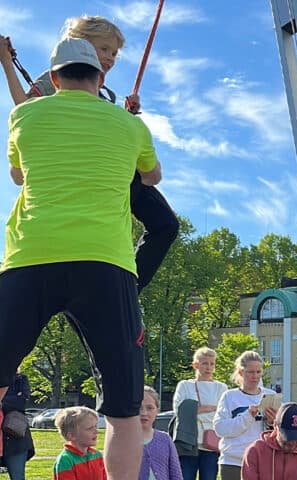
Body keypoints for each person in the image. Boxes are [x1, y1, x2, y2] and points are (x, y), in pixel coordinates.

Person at [0, 37, 162, 480]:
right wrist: (126, 129)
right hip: (105, 265)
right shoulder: (127, 125)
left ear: (53, 79)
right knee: (125, 408)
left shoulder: (24, 114)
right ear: (101, 77)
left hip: (29, 258)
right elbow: (151, 176)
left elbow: (18, 174)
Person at [0, 15, 178, 292]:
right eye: (104, 49)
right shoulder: (57, 76)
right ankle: (118, 289)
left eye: (114, 53)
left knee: (166, 224)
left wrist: (127, 115)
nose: (110, 58)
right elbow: (25, 106)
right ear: (80, 45)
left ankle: (127, 290)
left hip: (110, 167)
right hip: (81, 169)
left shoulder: (103, 90)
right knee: (159, 223)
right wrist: (7, 64)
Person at [213, 351, 278, 480]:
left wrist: (273, 423)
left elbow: (280, 434)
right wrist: (247, 416)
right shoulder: (230, 396)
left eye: (258, 372)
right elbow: (220, 429)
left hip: (263, 461)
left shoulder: (270, 395)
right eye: (250, 372)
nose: (255, 376)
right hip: (233, 462)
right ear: (241, 372)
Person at [172, 347, 228, 480]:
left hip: (211, 445)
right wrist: (210, 409)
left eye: (212, 364)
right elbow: (179, 410)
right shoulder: (185, 385)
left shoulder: (222, 387)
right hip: (188, 444)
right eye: (205, 363)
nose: (209, 367)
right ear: (196, 365)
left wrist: (196, 410)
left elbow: (223, 414)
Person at [241, 402, 297, 480]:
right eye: (286, 436)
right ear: (275, 425)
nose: (291, 442)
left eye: (296, 437)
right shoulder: (255, 451)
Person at [139, 386, 183, 480]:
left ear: (157, 411)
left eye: (150, 408)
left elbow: (175, 473)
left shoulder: (165, 439)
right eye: (139, 408)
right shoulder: (125, 441)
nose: (144, 413)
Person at [53, 406, 106, 480]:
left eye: (95, 426)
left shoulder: (97, 455)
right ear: (72, 436)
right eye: (90, 428)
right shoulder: (65, 460)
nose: (96, 431)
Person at [0, 370, 34, 479]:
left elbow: (22, 401)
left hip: (15, 437)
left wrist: (2, 401)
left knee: (17, 476)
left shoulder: (20, 379)